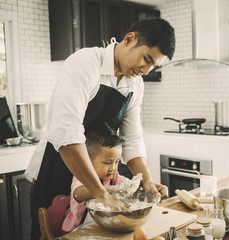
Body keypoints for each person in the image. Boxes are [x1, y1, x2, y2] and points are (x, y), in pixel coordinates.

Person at [25, 17, 175, 240]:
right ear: (129, 39)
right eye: (147, 59)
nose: (146, 70)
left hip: (97, 180)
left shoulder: (135, 84)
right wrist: (101, 194)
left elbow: (132, 138)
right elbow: (67, 135)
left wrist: (147, 181)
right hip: (57, 169)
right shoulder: (84, 63)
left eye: (153, 66)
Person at [62, 122, 126, 233]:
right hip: (79, 230)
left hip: (101, 227)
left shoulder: (111, 175)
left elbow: (123, 183)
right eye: (107, 163)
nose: (113, 168)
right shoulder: (81, 176)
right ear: (88, 162)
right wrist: (110, 189)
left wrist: (134, 185)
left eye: (116, 162)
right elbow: (79, 193)